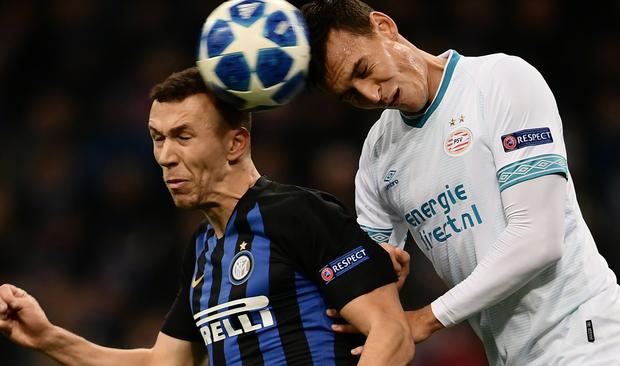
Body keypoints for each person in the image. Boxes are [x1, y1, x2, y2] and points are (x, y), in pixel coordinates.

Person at [300, 0, 620, 364]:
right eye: (351, 93)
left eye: (365, 69)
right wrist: (377, 269)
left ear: (384, 26)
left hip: (598, 344)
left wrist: (428, 318)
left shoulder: (501, 80)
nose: (372, 94)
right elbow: (370, 274)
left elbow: (539, 240)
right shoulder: (377, 153)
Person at [0, 67, 414, 366]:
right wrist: (47, 337)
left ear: (236, 143)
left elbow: (391, 333)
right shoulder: (201, 251)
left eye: (183, 136)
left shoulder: (299, 213)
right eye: (157, 139)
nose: (165, 157)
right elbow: (162, 364)